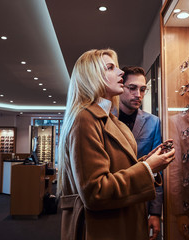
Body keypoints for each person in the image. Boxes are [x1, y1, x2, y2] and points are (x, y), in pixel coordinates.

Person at [57, 48, 175, 240]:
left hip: (121, 222)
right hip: (104, 228)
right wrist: (147, 167)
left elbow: (120, 168)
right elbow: (95, 191)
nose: (120, 72)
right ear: (91, 76)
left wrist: (150, 163)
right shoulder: (85, 119)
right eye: (111, 67)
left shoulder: (110, 120)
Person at [118, 66, 163, 240]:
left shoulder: (153, 122)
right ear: (121, 87)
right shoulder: (106, 119)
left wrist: (155, 212)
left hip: (140, 202)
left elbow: (157, 171)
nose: (138, 94)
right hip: (112, 196)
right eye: (132, 88)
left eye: (143, 89)